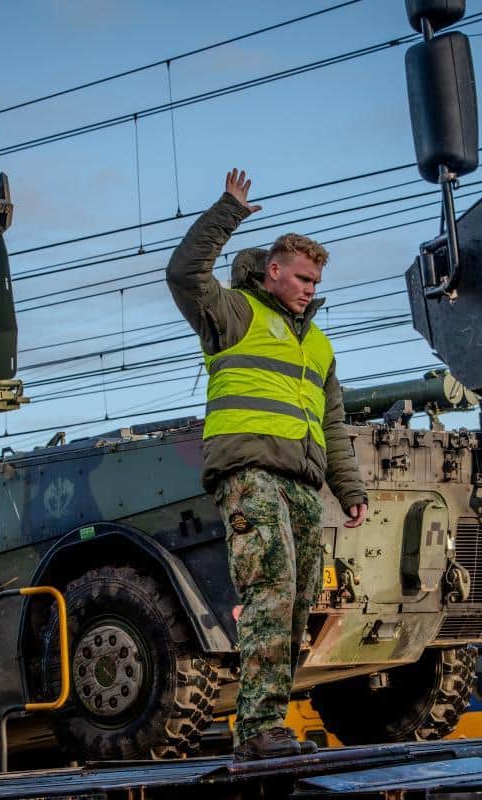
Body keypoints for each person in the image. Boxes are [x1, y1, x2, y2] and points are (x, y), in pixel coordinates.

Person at [167, 169, 369, 760]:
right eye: (302, 277)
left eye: (316, 281)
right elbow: (183, 273)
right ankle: (256, 731)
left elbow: (331, 423)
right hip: (249, 474)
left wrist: (349, 487)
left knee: (301, 603)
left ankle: (267, 726)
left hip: (304, 486)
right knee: (272, 591)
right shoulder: (233, 315)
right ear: (273, 272)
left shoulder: (319, 345)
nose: (310, 288)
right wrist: (227, 211)